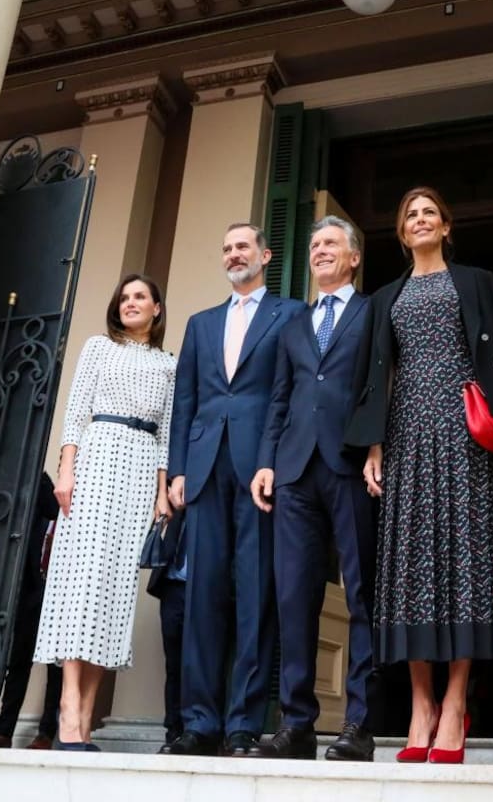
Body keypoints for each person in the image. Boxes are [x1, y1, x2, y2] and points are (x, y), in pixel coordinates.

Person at [344, 187, 493, 765]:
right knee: (409, 569)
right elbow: (377, 376)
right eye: (410, 215)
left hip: (462, 431)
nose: (421, 220)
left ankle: (455, 703)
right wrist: (373, 447)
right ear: (402, 233)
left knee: (464, 562)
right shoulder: (384, 297)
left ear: (446, 226)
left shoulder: (475, 281)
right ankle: (420, 705)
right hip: (405, 434)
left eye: (430, 212)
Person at [166, 223, 307, 757]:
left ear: (265, 255)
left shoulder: (290, 314)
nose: (232, 255)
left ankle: (243, 725)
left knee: (254, 595)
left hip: (259, 471)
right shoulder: (201, 324)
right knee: (201, 596)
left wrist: (275, 461)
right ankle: (198, 723)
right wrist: (178, 469)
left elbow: (291, 391)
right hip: (203, 469)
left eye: (241, 246)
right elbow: (185, 400)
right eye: (225, 248)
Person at [248, 216, 377, 762]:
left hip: (349, 464)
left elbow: (380, 387)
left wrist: (376, 448)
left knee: (361, 592)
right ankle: (297, 725)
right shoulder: (295, 324)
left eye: (331, 244)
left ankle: (359, 724)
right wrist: (266, 462)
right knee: (293, 596)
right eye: (314, 244)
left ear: (353, 258)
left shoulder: (374, 312)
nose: (321, 251)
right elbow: (281, 398)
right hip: (294, 470)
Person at [33, 274, 176, 751]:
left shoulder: (168, 365)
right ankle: (68, 708)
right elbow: (75, 413)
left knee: (114, 596)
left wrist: (160, 492)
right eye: (125, 298)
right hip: (97, 458)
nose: (131, 303)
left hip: (139, 473)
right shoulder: (97, 347)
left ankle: (86, 717)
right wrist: (67, 470)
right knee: (83, 586)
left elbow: (167, 436)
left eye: (141, 297)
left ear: (157, 309)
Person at [0, 473, 62, 749]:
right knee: (19, 663)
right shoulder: (40, 518)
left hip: (61, 600)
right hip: (33, 596)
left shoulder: (80, 520)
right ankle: (3, 730)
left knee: (57, 670)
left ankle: (46, 733)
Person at [145, 506, 187, 754]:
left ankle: (201, 728)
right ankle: (173, 731)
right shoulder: (176, 490)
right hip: (172, 585)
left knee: (201, 662)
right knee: (174, 664)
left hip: (205, 589)